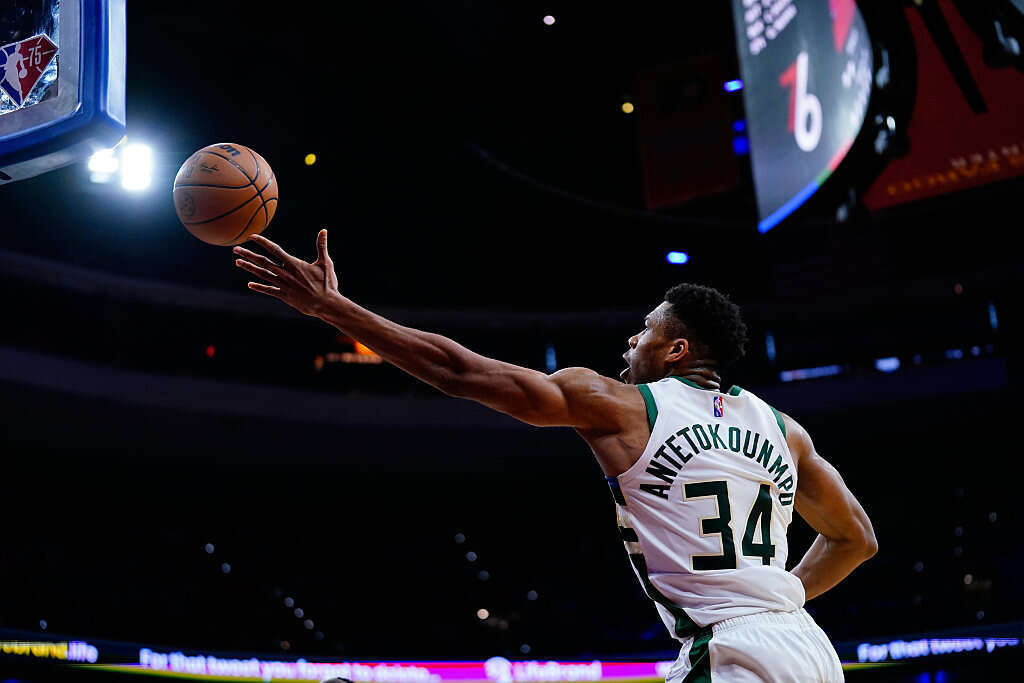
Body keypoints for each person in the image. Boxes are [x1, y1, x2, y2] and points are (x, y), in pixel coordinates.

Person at [235, 230, 877, 683]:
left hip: (733, 654)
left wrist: (332, 308)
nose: (631, 339)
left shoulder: (623, 406)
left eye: (646, 329)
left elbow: (460, 371)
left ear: (676, 350)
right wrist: (775, 599)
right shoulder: (784, 430)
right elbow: (856, 539)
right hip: (808, 649)